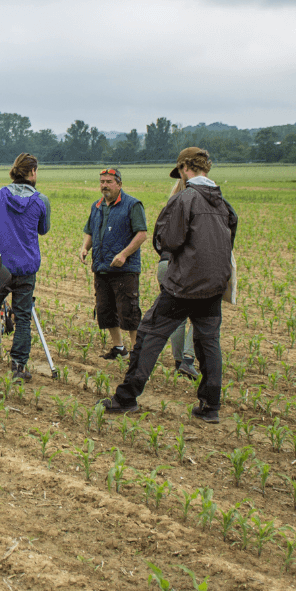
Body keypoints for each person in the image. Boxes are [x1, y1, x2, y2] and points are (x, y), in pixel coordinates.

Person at [101, 147, 237, 423]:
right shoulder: (222, 202)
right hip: (215, 285)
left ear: (186, 168)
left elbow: (168, 241)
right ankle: (211, 407)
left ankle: (126, 398)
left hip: (184, 284)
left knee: (150, 333)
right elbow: (230, 234)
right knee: (208, 342)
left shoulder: (184, 199)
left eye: (181, 172)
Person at [0, 153, 50, 381]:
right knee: (23, 317)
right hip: (26, 268)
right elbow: (43, 229)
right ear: (33, 172)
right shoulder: (40, 200)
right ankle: (18, 366)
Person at [80, 168, 147, 360]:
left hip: (124, 269)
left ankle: (136, 352)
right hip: (101, 267)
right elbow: (90, 231)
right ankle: (119, 348)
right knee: (105, 309)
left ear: (119, 183)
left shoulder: (132, 205)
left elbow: (141, 234)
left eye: (109, 181)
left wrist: (124, 255)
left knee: (129, 310)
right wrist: (85, 247)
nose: (104, 185)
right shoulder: (97, 206)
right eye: (102, 181)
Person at [156, 174, 198, 381]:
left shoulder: (169, 207)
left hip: (165, 264)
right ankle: (189, 359)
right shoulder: (198, 207)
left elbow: (159, 240)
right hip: (187, 265)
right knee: (202, 313)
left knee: (177, 316)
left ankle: (179, 362)